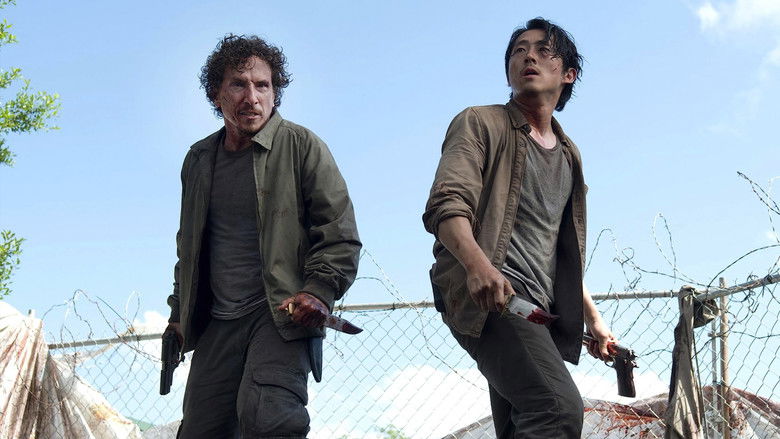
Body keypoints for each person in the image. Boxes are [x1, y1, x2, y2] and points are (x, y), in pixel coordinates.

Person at [422, 17, 615, 438]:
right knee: (556, 408)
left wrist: (593, 318)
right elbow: (446, 206)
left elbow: (559, 249)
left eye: (544, 51)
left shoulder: (569, 155)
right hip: (493, 297)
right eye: (519, 50)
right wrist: (479, 267)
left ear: (568, 74)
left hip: (537, 310)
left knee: (521, 424)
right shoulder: (479, 122)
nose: (529, 56)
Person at [165, 34, 361, 438]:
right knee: (200, 430)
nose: (251, 97)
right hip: (217, 320)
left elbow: (339, 232)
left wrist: (319, 291)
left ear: (275, 92)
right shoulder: (199, 160)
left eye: (263, 85)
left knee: (270, 418)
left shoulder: (301, 145)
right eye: (238, 84)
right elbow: (189, 247)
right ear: (216, 94)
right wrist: (178, 313)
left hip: (280, 312)